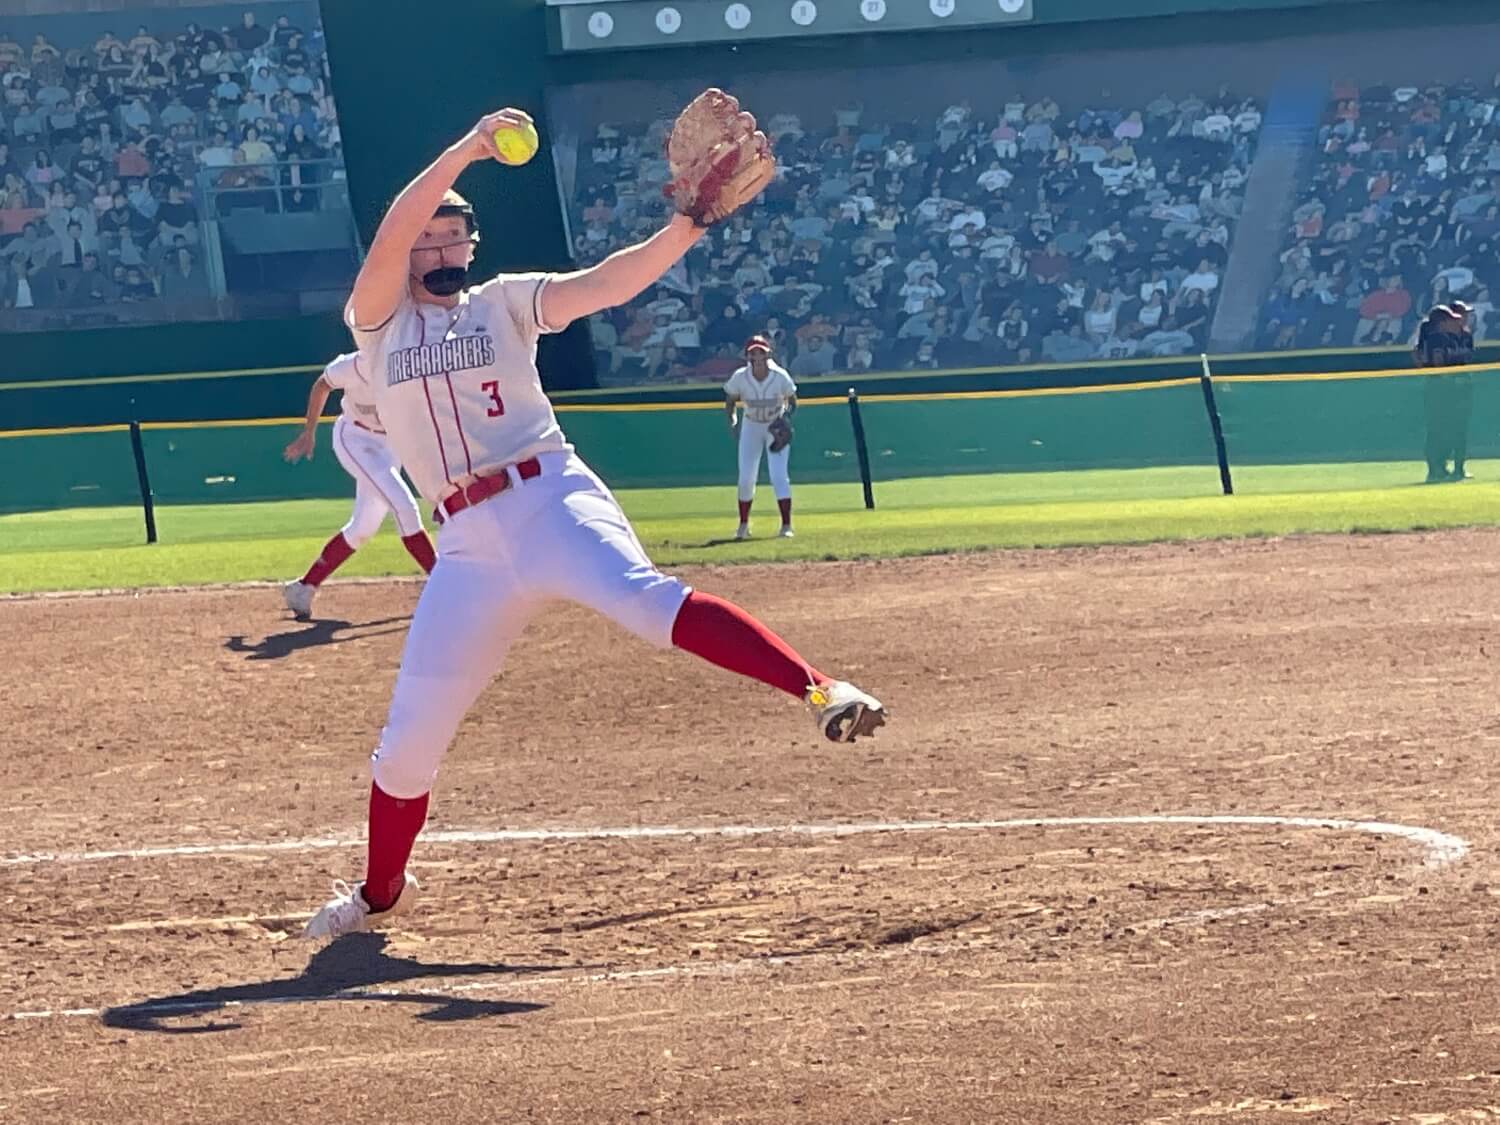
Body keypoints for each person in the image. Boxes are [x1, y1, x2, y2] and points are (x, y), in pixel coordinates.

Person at [300, 106, 886, 941]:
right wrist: (465, 148)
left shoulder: (503, 303)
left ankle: (823, 688)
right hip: (466, 545)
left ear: (471, 245)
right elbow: (391, 235)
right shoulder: (377, 324)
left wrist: (686, 226)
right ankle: (380, 894)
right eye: (424, 239)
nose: (435, 249)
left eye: (451, 236)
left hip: (548, 497)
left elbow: (608, 282)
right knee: (405, 747)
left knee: (646, 599)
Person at [282, 352, 438, 619]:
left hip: (390, 445)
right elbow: (322, 384)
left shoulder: (408, 361)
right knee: (405, 508)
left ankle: (303, 587)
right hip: (355, 439)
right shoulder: (354, 364)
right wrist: (309, 432)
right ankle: (441, 586)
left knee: (363, 527)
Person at [724, 335, 797, 540]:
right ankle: (743, 525)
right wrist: (733, 421)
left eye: (761, 353)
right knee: (746, 478)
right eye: (753, 353)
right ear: (747, 356)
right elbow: (730, 400)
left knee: (779, 476)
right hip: (751, 425)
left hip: (775, 427)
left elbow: (792, 400)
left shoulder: (779, 375)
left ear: (768, 354)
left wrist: (786, 418)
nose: (757, 357)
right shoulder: (740, 376)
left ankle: (786, 525)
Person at [1414, 304, 1474, 483]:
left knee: (1457, 429)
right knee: (1438, 429)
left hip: (1459, 390)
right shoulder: (1435, 339)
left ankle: (1455, 468)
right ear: (1441, 323)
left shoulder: (1463, 336)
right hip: (1439, 390)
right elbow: (1433, 363)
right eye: (1452, 319)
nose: (1460, 320)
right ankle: (1436, 469)